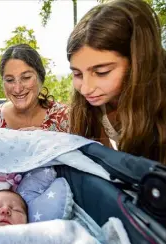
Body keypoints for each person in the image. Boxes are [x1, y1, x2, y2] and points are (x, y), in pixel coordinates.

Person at [67, 0, 166, 165]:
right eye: (77, 73)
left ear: (138, 63)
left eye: (101, 72)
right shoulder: (96, 105)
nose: (85, 89)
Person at [0, 44, 69, 132]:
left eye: (26, 78)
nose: (18, 89)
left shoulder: (65, 117)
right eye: (10, 80)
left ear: (40, 78)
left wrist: (49, 138)